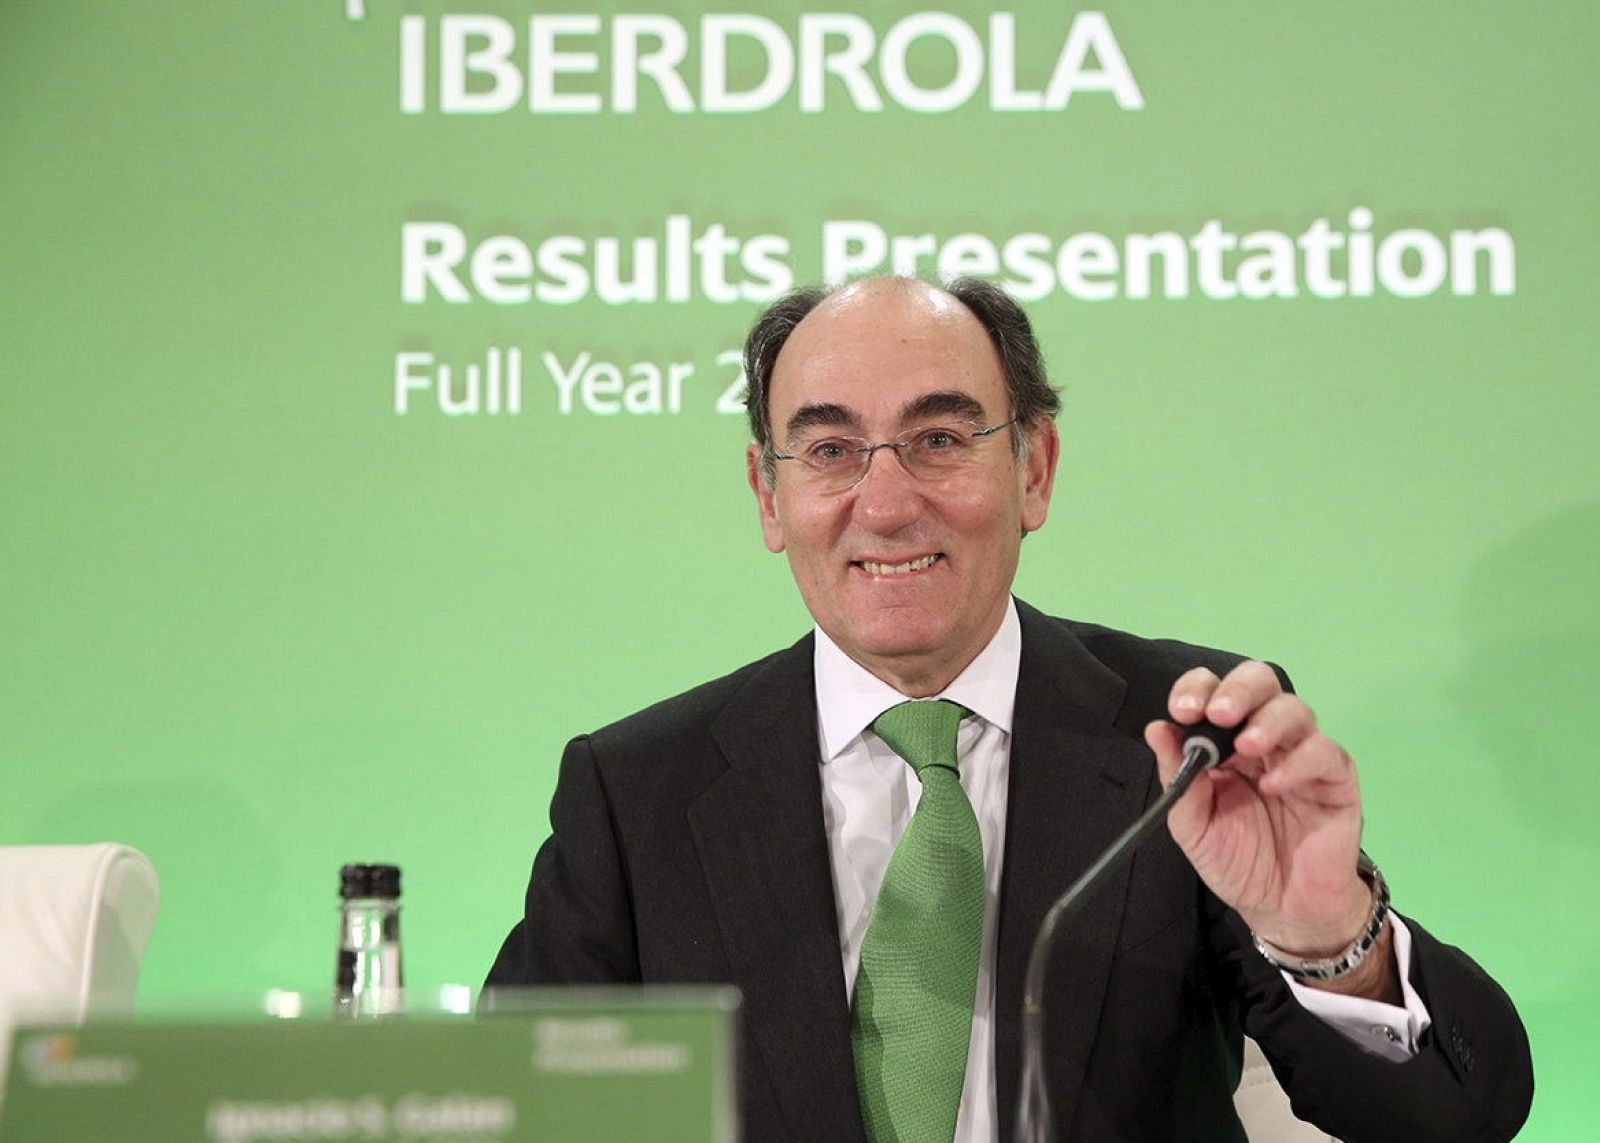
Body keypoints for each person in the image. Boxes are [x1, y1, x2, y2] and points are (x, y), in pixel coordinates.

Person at [486, 276, 1532, 1142]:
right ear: (768, 496)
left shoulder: (1187, 742)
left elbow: (1452, 1119)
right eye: (829, 450)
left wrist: (1325, 934)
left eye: (939, 438)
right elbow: (510, 1114)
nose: (886, 503)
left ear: (1033, 468)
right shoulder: (638, 792)